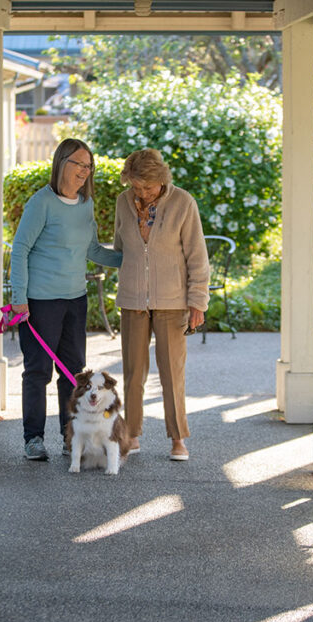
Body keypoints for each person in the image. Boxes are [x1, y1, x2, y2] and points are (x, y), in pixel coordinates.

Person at [9, 139, 122, 461]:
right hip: (40, 301)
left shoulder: (85, 205)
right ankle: (33, 438)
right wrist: (19, 299)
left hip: (76, 300)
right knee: (38, 371)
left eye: (89, 166)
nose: (85, 172)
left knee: (73, 374)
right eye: (79, 164)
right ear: (61, 163)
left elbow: (93, 251)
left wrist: (132, 259)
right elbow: (20, 250)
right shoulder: (40, 203)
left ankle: (68, 436)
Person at [113, 148, 209, 460]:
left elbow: (197, 256)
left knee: (171, 374)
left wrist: (198, 302)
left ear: (162, 180)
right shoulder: (123, 202)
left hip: (173, 302)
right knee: (133, 373)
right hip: (132, 301)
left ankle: (178, 439)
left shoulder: (183, 203)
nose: (142, 193)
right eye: (136, 186)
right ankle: (132, 433)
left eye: (149, 187)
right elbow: (120, 250)